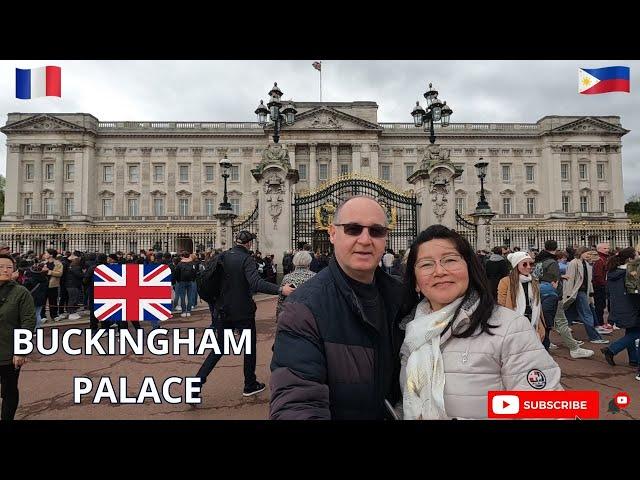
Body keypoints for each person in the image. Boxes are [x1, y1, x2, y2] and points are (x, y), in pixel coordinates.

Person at [397, 225, 561, 420]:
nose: (439, 271)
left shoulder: (510, 327)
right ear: (415, 281)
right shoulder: (411, 331)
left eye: (450, 260)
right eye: (426, 264)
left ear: (469, 268)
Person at [270, 196, 405, 420]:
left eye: (376, 231)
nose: (365, 239)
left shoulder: (403, 297)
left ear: (385, 237)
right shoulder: (303, 308)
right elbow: (296, 404)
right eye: (353, 229)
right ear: (332, 233)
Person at [194, 231, 294, 398]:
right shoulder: (246, 259)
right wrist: (280, 289)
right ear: (248, 244)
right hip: (242, 312)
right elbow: (256, 283)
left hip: (222, 310)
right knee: (248, 348)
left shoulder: (223, 256)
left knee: (218, 349)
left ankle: (196, 384)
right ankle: (249, 384)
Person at [534, 241, 594, 358]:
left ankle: (545, 342)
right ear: (556, 248)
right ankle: (574, 348)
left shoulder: (540, 260)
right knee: (562, 322)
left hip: (541, 292)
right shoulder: (552, 262)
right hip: (553, 295)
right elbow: (554, 281)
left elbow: (540, 276)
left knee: (544, 320)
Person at [0, 254, 37, 420]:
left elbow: (28, 322)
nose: (5, 270)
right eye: (0, 267)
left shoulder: (21, 292)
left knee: (9, 391)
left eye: (9, 267)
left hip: (8, 353)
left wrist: (21, 351)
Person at [601, 248, 640, 367]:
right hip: (631, 306)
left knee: (631, 330)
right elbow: (634, 291)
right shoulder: (629, 273)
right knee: (636, 332)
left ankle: (633, 359)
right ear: (630, 259)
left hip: (619, 306)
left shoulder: (612, 272)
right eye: (637, 255)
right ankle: (612, 349)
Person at [563, 247, 609, 345]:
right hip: (577, 292)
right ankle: (594, 337)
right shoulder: (574, 263)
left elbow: (589, 280)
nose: (588, 256)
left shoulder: (586, 264)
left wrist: (590, 292)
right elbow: (570, 279)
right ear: (581, 253)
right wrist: (568, 293)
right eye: (587, 254)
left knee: (570, 315)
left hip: (582, 292)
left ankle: (567, 337)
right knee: (587, 315)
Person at [497, 252, 546, 342]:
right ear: (516, 265)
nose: (528, 267)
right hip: (514, 323)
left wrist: (540, 325)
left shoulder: (534, 281)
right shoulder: (505, 282)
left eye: (531, 264)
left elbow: (537, 305)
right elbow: (502, 305)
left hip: (532, 321)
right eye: (524, 264)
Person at [276, 251, 316, 319]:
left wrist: (278, 316)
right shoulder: (315, 277)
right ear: (309, 262)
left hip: (291, 315)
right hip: (309, 315)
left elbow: (281, 299)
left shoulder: (287, 277)